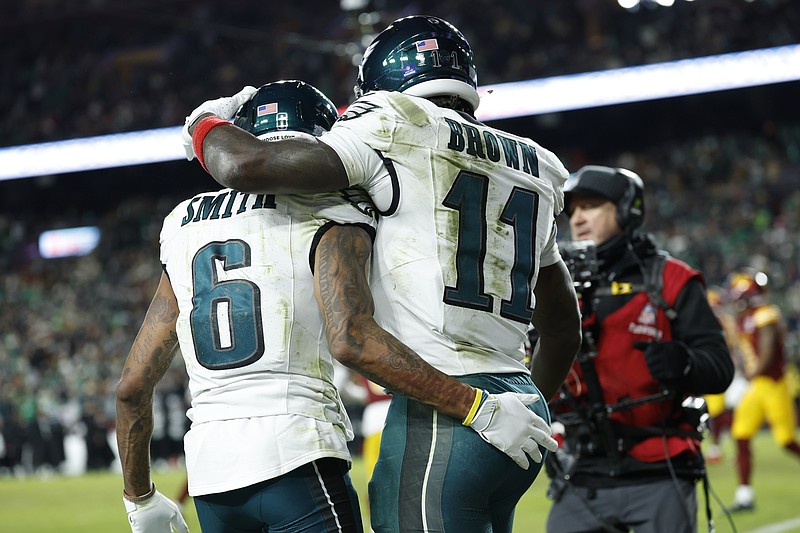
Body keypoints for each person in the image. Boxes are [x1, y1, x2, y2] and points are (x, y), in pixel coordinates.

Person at [181, 15, 582, 533]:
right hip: (519, 399)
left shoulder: (393, 123)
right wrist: (530, 405)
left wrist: (203, 124)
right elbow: (564, 327)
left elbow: (243, 165)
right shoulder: (539, 164)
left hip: (445, 407)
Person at [544, 165, 734, 533]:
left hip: (659, 467)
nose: (579, 218)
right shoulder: (555, 285)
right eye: (574, 210)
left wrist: (684, 363)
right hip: (583, 471)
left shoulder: (671, 279)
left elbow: (720, 367)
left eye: (592, 206)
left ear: (627, 209)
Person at [725, 268, 800, 512]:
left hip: (773, 384)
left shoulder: (765, 314)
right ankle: (744, 496)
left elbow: (767, 355)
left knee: (787, 441)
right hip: (757, 385)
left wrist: (747, 377)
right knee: (741, 434)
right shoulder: (745, 317)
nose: (736, 301)